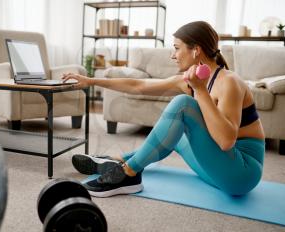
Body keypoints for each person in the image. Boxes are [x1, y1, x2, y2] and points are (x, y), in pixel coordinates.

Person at [63, 21, 265, 198]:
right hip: (218, 170)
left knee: (183, 105)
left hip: (242, 173)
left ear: (196, 50)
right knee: (175, 136)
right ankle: (116, 161)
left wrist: (200, 90)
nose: (172, 55)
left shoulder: (229, 82)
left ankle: (128, 173)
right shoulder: (188, 81)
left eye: (176, 48)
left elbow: (226, 141)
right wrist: (90, 80)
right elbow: (137, 85)